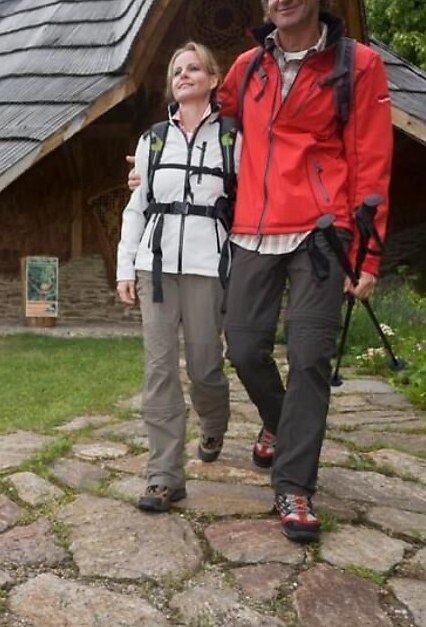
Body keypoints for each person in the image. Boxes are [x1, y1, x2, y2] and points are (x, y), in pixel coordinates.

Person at [215, 0, 393, 542]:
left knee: (310, 354)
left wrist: (367, 253)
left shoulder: (356, 64)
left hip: (324, 228)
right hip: (254, 225)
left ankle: (294, 484)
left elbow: (372, 158)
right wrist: (153, 168)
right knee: (243, 347)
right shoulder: (246, 67)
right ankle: (279, 421)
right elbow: (206, 124)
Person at [116, 42, 234, 513]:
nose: (183, 75)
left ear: (213, 78)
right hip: (156, 268)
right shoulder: (152, 141)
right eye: (176, 70)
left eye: (193, 69)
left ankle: (214, 423)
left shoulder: (231, 138)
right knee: (159, 369)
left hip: (210, 267)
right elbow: (136, 208)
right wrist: (127, 265)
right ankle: (165, 475)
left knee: (206, 367)